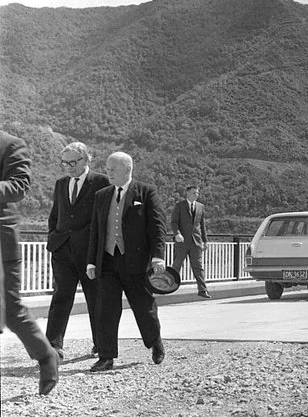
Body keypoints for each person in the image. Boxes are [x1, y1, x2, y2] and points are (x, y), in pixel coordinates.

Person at [85, 151, 169, 372]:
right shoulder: (102, 195)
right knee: (105, 309)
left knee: (143, 306)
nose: (108, 172)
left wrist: (158, 256)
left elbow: (158, 228)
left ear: (127, 169)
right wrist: (91, 262)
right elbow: (96, 230)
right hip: (108, 261)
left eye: (113, 168)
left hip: (136, 262)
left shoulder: (146, 192)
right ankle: (106, 357)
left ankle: (155, 341)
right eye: (107, 168)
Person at [1, 131, 60, 395]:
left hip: (1, 240)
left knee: (11, 310)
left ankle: (46, 356)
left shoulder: (11, 144)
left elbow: (19, 186)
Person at [45, 141, 110, 358]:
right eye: (65, 163)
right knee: (61, 297)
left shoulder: (101, 181)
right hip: (62, 250)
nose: (70, 167)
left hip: (89, 252)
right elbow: (55, 215)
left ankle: (101, 344)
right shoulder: (61, 183)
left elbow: (104, 217)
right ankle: (53, 346)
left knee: (95, 298)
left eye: (74, 162)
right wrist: (53, 237)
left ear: (86, 159)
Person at [170, 184, 211, 298]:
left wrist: (205, 241)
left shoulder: (200, 207)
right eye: (193, 192)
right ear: (187, 193)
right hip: (182, 242)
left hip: (196, 242)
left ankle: (202, 290)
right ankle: (169, 286)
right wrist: (177, 233)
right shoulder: (179, 206)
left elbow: (202, 226)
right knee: (177, 265)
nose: (196, 195)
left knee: (198, 267)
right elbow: (174, 222)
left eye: (197, 193)